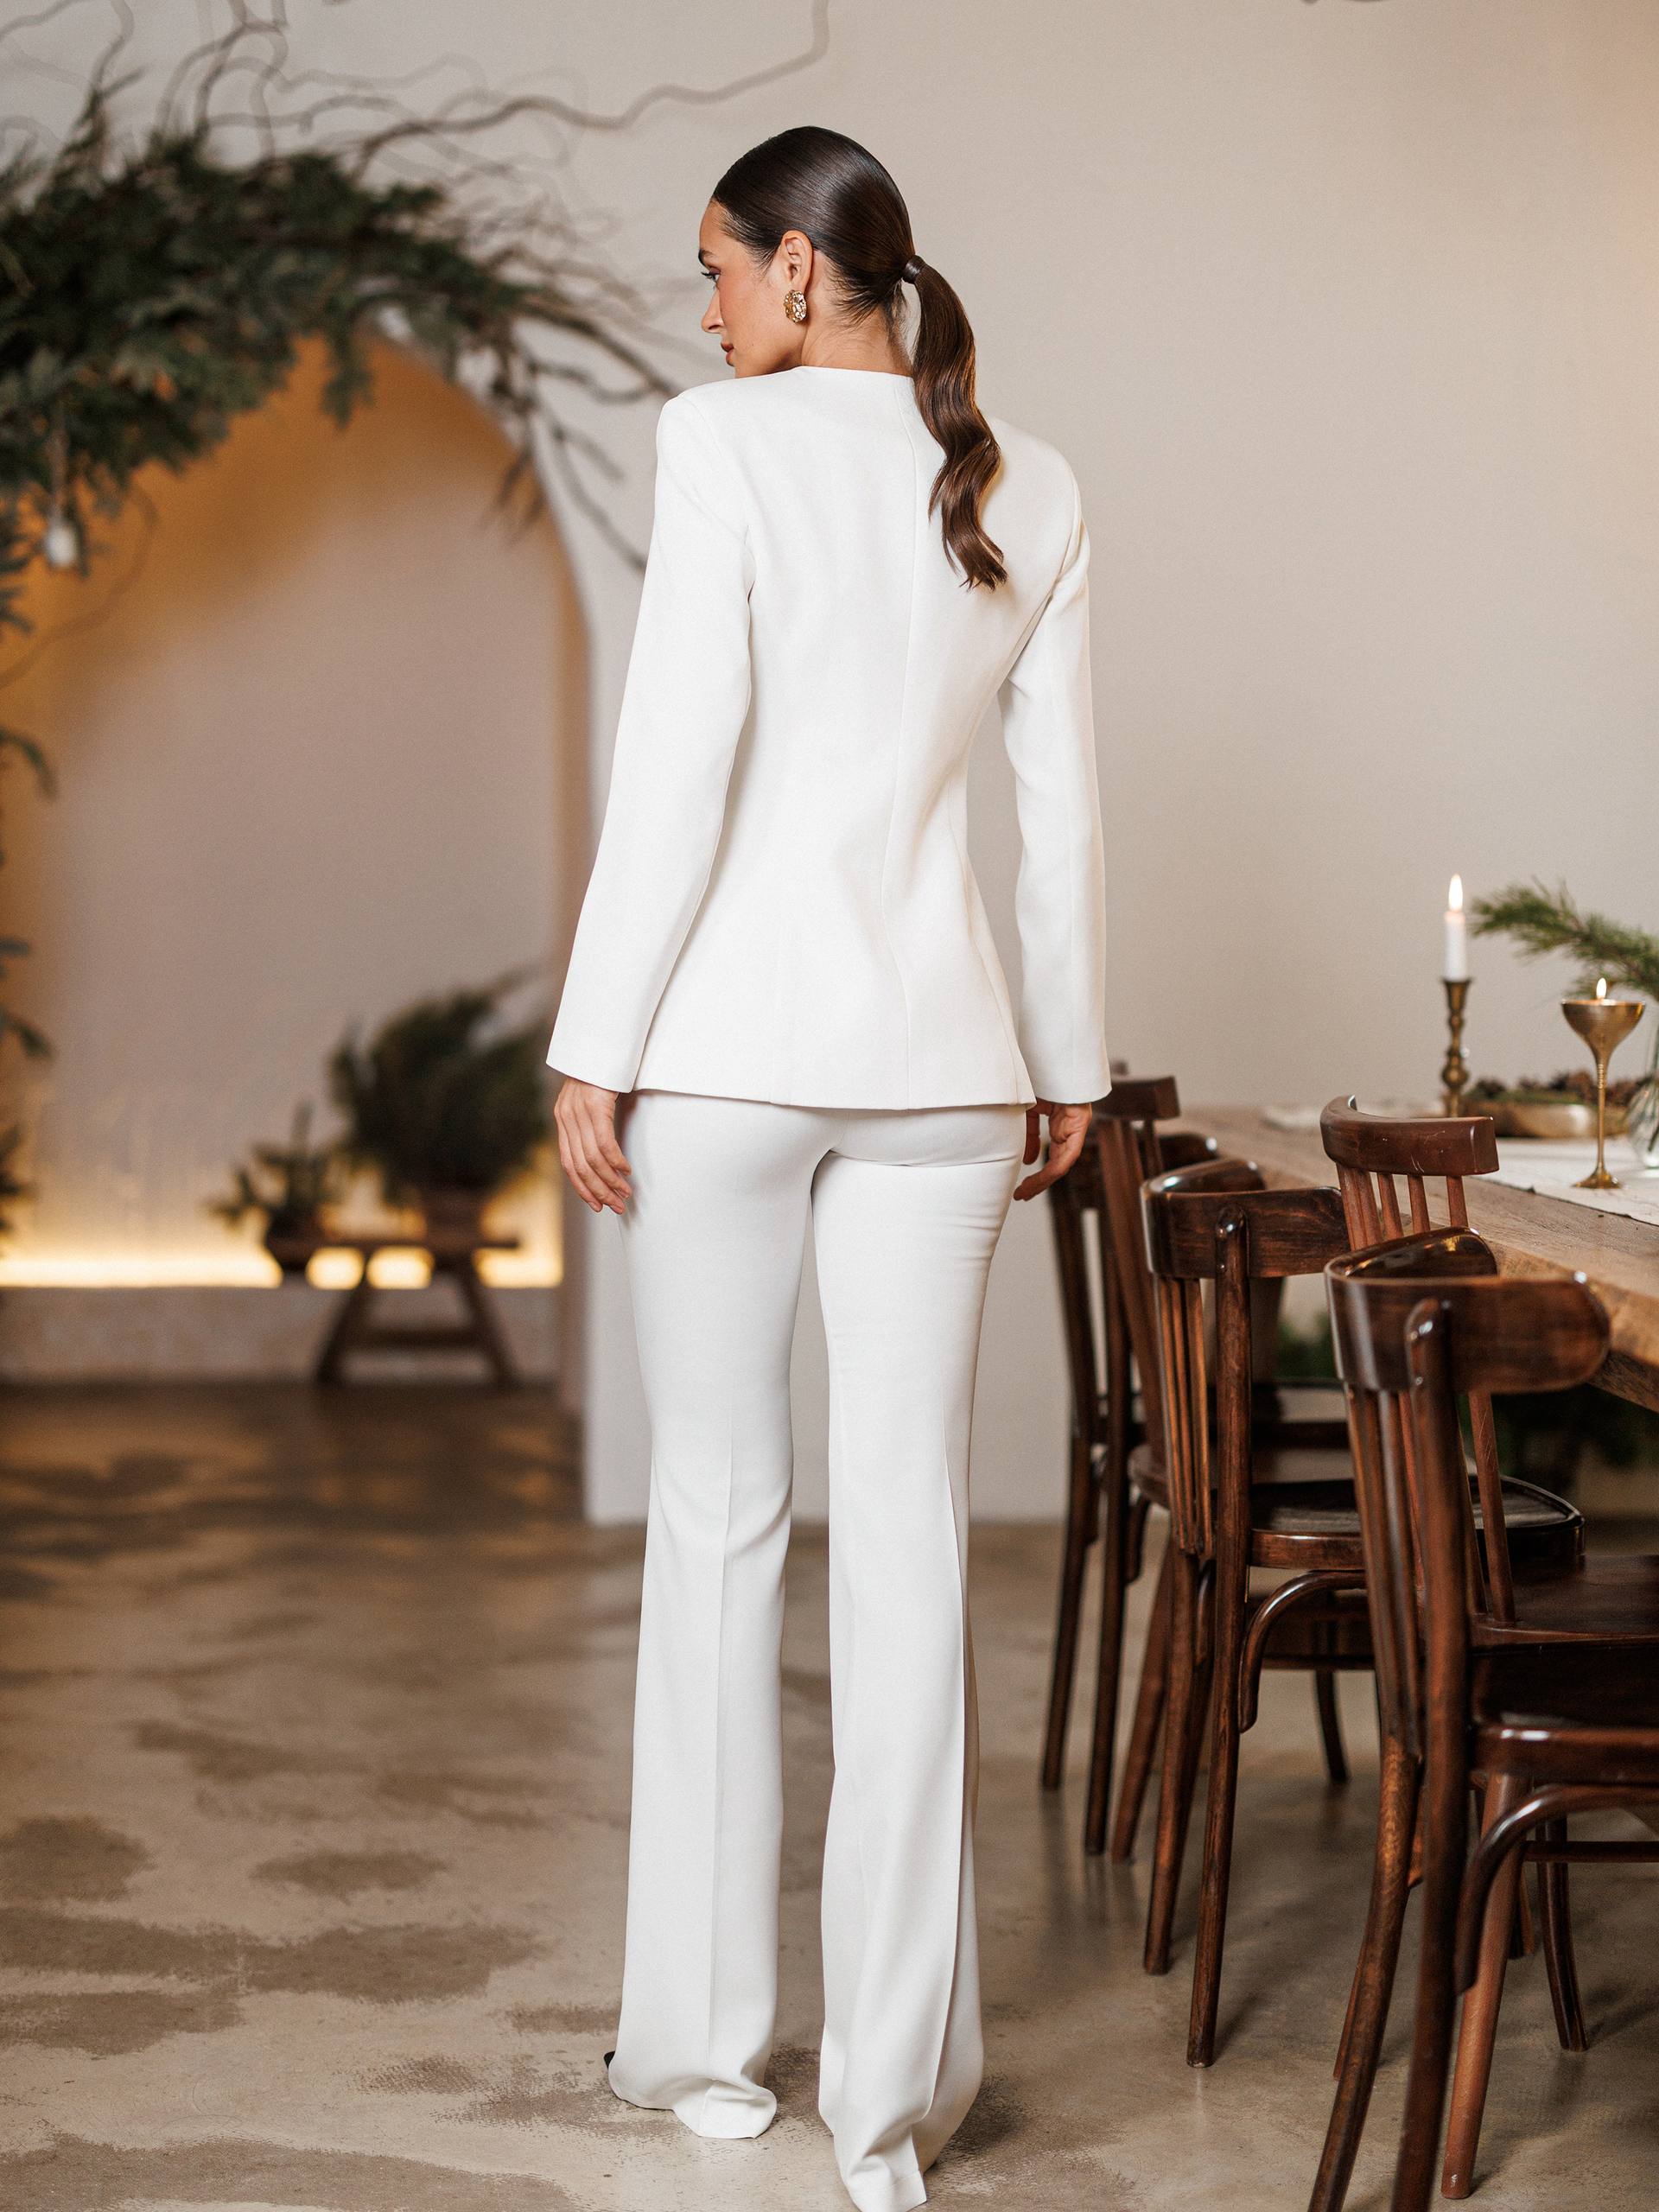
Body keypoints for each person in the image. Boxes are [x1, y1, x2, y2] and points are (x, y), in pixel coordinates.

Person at [546, 124, 1110, 2212]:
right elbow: (1063, 813)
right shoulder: (1032, 481)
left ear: (799, 270)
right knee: (908, 1550)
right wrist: (1067, 1061)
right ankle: (891, 2102)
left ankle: (703, 2052)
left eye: (715, 269)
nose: (702, 311)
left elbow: (676, 759)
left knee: (716, 1521)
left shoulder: (722, 443)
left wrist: (595, 1039)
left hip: (723, 1055)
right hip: (947, 1065)